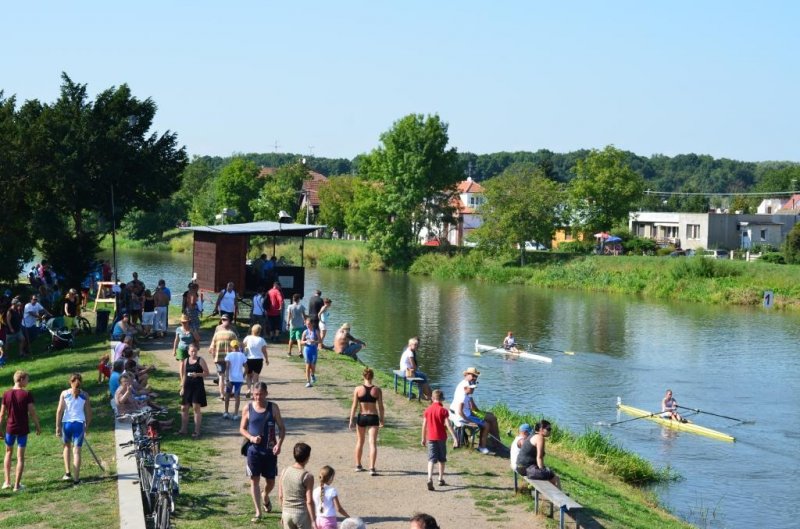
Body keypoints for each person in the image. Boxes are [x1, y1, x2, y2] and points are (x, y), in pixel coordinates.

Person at [240, 382, 286, 523]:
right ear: (252, 394)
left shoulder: (273, 408)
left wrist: (279, 444)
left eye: (260, 394)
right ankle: (258, 512)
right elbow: (242, 429)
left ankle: (265, 495)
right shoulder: (247, 408)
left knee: (271, 481)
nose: (258, 397)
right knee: (254, 480)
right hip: (253, 451)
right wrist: (252, 438)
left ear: (266, 393)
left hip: (270, 451)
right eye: (255, 394)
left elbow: (282, 429)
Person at [1, 370, 41, 491]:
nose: (28, 382)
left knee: (8, 453)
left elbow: (2, 414)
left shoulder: (6, 394)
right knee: (20, 457)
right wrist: (38, 425)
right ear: (21, 380)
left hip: (10, 429)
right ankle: (17, 486)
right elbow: (32, 412)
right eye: (27, 379)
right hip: (22, 429)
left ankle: (7, 482)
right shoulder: (26, 394)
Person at [450, 367, 502, 452]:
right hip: (463, 414)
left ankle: (495, 442)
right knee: (488, 422)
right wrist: (469, 420)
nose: (475, 378)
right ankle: (485, 445)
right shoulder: (465, 388)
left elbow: (471, 404)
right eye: (473, 376)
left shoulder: (469, 384)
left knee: (491, 417)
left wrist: (479, 412)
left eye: (476, 376)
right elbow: (460, 410)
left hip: (467, 412)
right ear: (466, 374)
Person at [55, 373, 92, 485]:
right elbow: (89, 413)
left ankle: (67, 473)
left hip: (66, 424)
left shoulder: (64, 394)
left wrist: (57, 426)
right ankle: (76, 479)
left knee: (66, 447)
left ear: (70, 382)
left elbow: (59, 411)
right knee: (77, 452)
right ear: (81, 383)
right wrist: (87, 427)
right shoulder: (85, 395)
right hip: (79, 424)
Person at [348, 367, 384, 476]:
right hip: (373, 417)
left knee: (360, 441)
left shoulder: (358, 389)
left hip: (362, 417)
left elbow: (354, 406)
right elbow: (381, 406)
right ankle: (372, 468)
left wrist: (351, 420)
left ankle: (358, 465)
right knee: (372, 443)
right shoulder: (377, 390)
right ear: (372, 377)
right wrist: (382, 419)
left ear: (363, 376)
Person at [421, 389, 458, 490]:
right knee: (442, 459)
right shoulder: (443, 411)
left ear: (432, 398)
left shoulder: (427, 410)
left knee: (431, 459)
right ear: (442, 399)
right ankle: (440, 479)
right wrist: (455, 438)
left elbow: (424, 425)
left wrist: (423, 438)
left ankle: (429, 478)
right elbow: (448, 425)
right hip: (441, 438)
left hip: (431, 438)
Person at [279, 442, 315, 529]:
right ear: (308, 457)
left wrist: (283, 514)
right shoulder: (307, 476)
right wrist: (313, 520)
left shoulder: (284, 471)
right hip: (301, 515)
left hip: (286, 513)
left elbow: (281, 496)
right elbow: (309, 501)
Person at [515, 420, 560, 487]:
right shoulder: (540, 438)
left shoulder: (532, 435)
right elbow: (539, 457)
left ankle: (557, 493)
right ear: (541, 429)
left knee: (551, 475)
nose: (550, 431)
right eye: (548, 429)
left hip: (520, 467)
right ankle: (558, 495)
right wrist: (542, 471)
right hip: (527, 469)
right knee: (554, 477)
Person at [179, 344, 209, 438]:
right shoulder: (185, 361)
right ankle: (183, 429)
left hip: (197, 386)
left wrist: (197, 374)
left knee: (196, 408)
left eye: (195, 351)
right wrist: (182, 387)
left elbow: (207, 373)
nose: (193, 353)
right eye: (191, 351)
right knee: (184, 408)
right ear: (188, 352)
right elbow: (184, 375)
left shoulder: (200, 360)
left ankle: (197, 431)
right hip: (187, 386)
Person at [209, 314, 238, 400]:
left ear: (229, 320)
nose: (223, 321)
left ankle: (222, 395)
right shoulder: (232, 333)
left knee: (221, 376)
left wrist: (214, 357)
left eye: (224, 319)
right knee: (230, 376)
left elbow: (211, 348)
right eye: (222, 319)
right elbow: (236, 345)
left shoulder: (217, 333)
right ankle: (229, 393)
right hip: (230, 358)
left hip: (219, 357)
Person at [457, 381, 491, 454]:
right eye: (471, 388)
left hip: (469, 415)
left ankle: (481, 445)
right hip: (466, 417)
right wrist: (468, 421)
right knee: (486, 425)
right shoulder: (463, 397)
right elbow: (460, 411)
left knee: (485, 424)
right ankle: (482, 447)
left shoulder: (467, 395)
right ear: (465, 388)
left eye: (474, 388)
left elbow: (471, 408)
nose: (473, 390)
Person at [243, 324, 269, 398]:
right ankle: (255, 392)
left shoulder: (247, 338)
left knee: (248, 376)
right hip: (258, 360)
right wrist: (266, 359)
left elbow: (243, 346)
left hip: (249, 359)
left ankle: (248, 389)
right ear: (260, 331)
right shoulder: (261, 340)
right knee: (255, 377)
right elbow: (264, 351)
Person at [223, 340, 247, 420]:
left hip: (230, 378)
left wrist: (226, 379)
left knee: (227, 395)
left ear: (231, 347)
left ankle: (226, 412)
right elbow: (246, 368)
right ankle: (236, 414)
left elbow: (227, 367)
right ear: (238, 346)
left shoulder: (229, 355)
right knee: (237, 396)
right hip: (239, 379)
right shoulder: (242, 355)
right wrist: (243, 376)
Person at [300, 317, 320, 388]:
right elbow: (301, 342)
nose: (307, 325)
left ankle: (312, 375)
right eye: (306, 324)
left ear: (312, 324)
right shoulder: (305, 332)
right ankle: (308, 382)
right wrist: (306, 341)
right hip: (307, 349)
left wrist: (314, 341)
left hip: (314, 349)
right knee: (308, 365)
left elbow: (320, 341)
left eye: (308, 324)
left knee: (313, 365)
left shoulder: (316, 331)